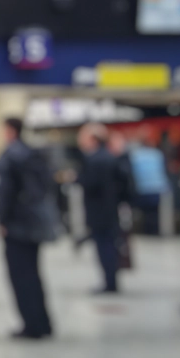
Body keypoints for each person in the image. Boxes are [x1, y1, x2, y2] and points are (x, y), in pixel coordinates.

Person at [0, 118, 56, 340]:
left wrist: (1, 219)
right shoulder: (33, 154)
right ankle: (43, 322)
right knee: (34, 274)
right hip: (34, 223)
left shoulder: (11, 156)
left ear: (9, 130)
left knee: (20, 276)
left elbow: (6, 192)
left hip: (16, 224)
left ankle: (30, 325)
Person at [77, 126, 123, 294]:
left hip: (98, 210)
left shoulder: (93, 160)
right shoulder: (111, 157)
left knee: (104, 247)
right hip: (110, 209)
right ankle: (111, 280)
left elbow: (89, 183)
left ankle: (109, 282)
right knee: (109, 245)